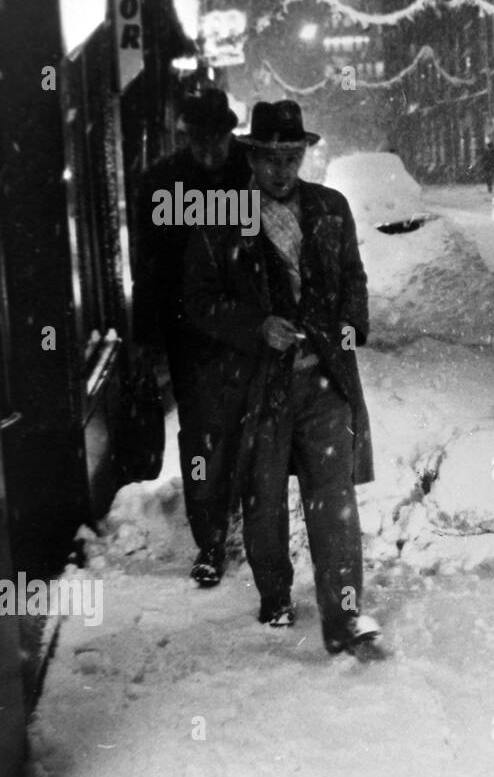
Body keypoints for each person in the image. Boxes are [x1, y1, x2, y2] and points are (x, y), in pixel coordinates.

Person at [184, 101, 383, 659]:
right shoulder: (220, 215)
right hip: (258, 387)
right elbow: (197, 302)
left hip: (324, 383)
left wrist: (346, 329)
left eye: (291, 156)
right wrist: (254, 327)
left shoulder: (329, 208)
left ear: (304, 154)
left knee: (334, 501)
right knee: (264, 501)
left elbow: (352, 279)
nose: (280, 169)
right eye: (270, 157)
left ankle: (344, 621)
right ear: (252, 155)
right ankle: (275, 594)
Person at [136, 88, 248, 588]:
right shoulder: (161, 183)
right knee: (200, 434)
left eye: (218, 138)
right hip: (189, 335)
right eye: (200, 140)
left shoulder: (253, 172)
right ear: (186, 137)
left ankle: (248, 520)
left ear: (230, 132)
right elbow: (150, 267)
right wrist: (146, 341)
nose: (210, 150)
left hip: (249, 328)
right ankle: (210, 537)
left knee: (250, 429)